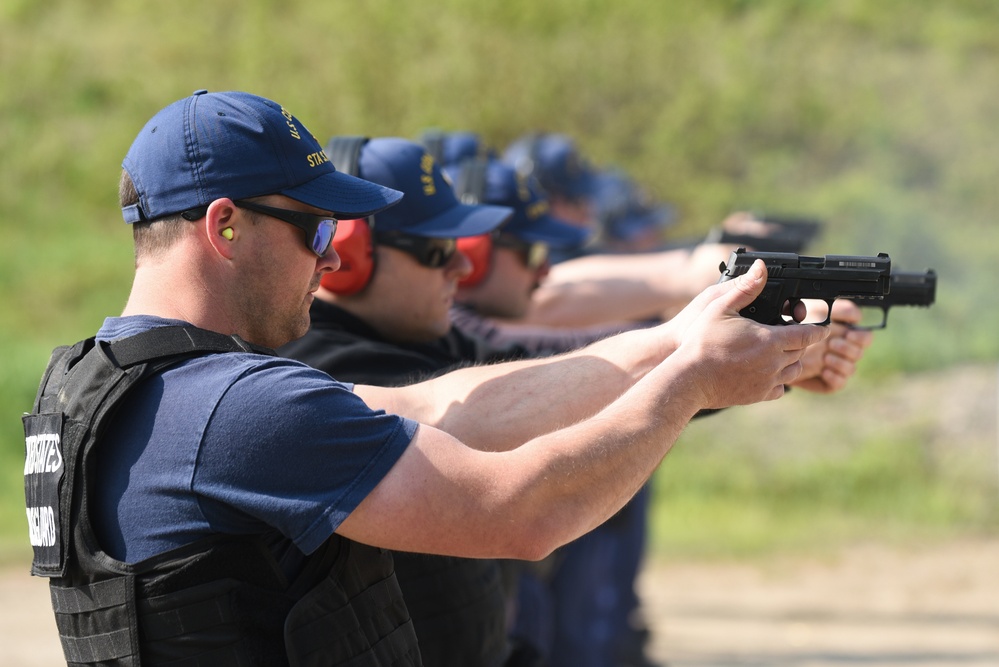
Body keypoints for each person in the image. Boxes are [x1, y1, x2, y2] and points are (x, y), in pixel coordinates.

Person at [23, 90, 830, 666]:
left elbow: (443, 406)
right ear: (224, 225)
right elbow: (521, 511)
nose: (331, 253)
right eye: (313, 228)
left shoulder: (92, 390)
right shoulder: (235, 407)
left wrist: (676, 338)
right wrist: (687, 381)